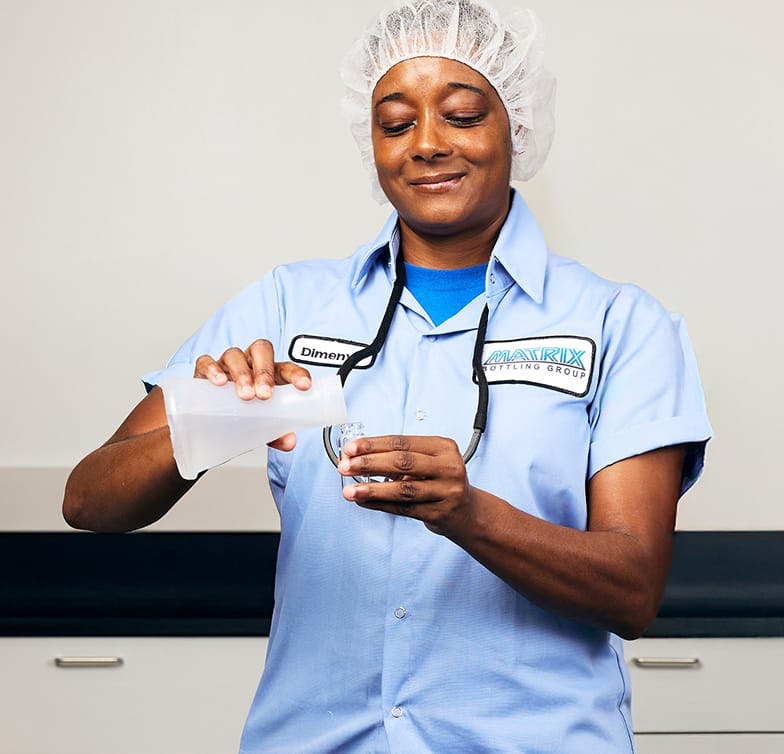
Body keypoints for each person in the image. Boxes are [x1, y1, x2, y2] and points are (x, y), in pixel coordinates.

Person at [63, 1, 712, 751]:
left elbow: (632, 591)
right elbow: (89, 500)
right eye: (397, 124)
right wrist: (216, 417)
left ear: (519, 127)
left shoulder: (621, 325)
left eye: (463, 115)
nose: (427, 145)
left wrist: (469, 515)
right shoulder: (286, 303)